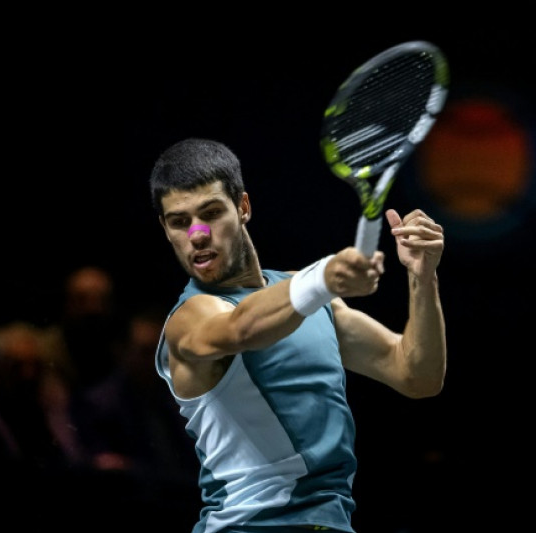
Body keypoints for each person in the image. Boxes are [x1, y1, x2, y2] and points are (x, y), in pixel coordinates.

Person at [148, 137, 447, 533]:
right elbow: (241, 328)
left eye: (211, 213)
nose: (198, 234)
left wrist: (423, 277)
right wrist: (323, 276)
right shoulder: (190, 318)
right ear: (166, 229)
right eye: (179, 221)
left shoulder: (310, 299)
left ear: (243, 207)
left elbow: (416, 375)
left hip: (332, 522)